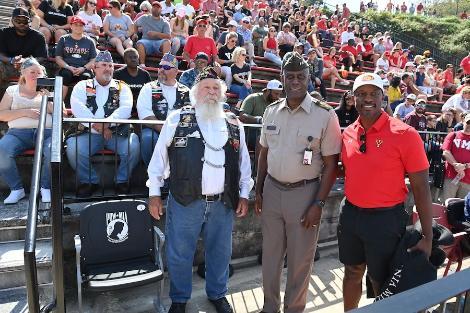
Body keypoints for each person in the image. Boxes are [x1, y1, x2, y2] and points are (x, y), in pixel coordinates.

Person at [147, 67, 252, 313]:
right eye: (206, 87)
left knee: (220, 253)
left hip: (223, 203)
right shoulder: (176, 119)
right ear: (196, 92)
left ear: (223, 93)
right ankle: (180, 299)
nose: (212, 92)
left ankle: (217, 293)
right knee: (180, 253)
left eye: (216, 88)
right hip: (185, 201)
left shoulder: (234, 123)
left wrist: (245, 193)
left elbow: (244, 163)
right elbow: (159, 158)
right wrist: (154, 193)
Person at [255, 52, 341, 313]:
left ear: (309, 79)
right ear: (282, 78)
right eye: (289, 76)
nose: (295, 81)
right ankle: (270, 308)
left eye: (300, 76)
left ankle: (294, 309)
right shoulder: (271, 112)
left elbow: (331, 166)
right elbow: (263, 153)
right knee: (270, 258)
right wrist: (258, 190)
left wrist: (319, 202)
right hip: (272, 191)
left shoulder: (325, 115)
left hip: (305, 195)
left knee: (300, 261)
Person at [339, 73, 433, 310]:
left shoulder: (405, 134)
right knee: (352, 272)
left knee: (382, 280)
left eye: (373, 94)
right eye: (361, 94)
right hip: (350, 214)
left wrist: (428, 237)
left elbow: (422, 188)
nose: (367, 99)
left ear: (383, 97)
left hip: (386, 219)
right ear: (353, 98)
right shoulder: (348, 132)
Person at [65, 51, 140, 197]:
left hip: (116, 132)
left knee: (134, 145)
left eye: (110, 65)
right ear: (94, 67)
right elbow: (78, 107)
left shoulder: (122, 87)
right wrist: (97, 126)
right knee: (73, 148)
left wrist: (107, 125)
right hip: (87, 133)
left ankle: (122, 181)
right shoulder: (82, 85)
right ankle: (89, 181)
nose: (108, 68)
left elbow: (125, 108)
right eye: (104, 65)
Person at [0, 58, 52, 204]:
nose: (36, 75)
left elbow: (61, 114)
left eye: (39, 72)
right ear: (23, 73)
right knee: (2, 149)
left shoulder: (50, 90)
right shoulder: (12, 90)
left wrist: (48, 99)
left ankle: (45, 187)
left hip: (46, 132)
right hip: (18, 133)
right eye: (32, 72)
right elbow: (1, 114)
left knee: (53, 150)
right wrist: (26, 112)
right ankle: (17, 189)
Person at [138, 53, 190, 166]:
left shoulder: (186, 91)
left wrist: (175, 132)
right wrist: (165, 130)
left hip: (179, 130)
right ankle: (152, 170)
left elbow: (190, 114)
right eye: (160, 66)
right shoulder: (148, 88)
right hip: (154, 130)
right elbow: (145, 114)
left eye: (166, 67)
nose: (161, 69)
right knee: (147, 139)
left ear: (176, 72)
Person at [0, 8, 47, 90]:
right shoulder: (3, 33)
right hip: (8, 64)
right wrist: (12, 60)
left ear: (29, 21)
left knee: (41, 70)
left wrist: (25, 62)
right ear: (12, 21)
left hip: (30, 66)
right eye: (18, 21)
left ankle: (38, 99)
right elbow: (1, 54)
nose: (21, 23)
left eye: (24, 21)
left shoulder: (38, 36)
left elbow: (42, 57)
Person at [55, 15, 96, 97]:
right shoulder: (63, 39)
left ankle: (88, 105)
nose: (78, 27)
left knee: (87, 78)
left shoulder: (90, 41)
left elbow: (93, 60)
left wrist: (83, 68)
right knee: (65, 76)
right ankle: (59, 104)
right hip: (67, 68)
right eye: (76, 25)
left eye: (81, 25)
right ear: (71, 26)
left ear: (84, 27)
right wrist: (68, 67)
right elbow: (58, 58)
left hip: (84, 69)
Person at [441, 114, 470, 202]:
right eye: (468, 122)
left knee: (462, 209)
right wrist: (456, 165)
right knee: (447, 204)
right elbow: (446, 152)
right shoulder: (453, 135)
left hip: (468, 180)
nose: (469, 125)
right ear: (463, 122)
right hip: (451, 177)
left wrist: (464, 166)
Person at [134, 1, 172, 67]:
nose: (156, 8)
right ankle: (142, 65)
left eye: (158, 7)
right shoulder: (144, 18)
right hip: (146, 41)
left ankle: (166, 65)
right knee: (140, 43)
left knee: (167, 42)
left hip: (159, 42)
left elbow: (168, 36)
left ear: (161, 9)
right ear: (151, 8)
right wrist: (135, 33)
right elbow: (135, 24)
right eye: (154, 7)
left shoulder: (165, 22)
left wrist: (156, 34)